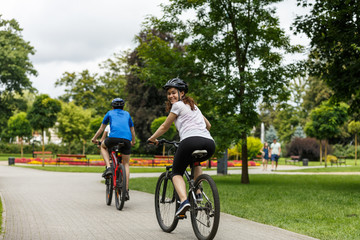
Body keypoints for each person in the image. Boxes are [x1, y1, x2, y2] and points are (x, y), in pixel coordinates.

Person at [148, 78, 215, 217]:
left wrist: (153, 138)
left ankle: (184, 201)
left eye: (174, 92)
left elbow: (164, 126)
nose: (170, 96)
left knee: (176, 172)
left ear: (182, 93)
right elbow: (208, 126)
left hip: (190, 141)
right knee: (195, 162)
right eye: (169, 93)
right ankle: (198, 193)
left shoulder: (177, 106)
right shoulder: (194, 107)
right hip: (209, 143)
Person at [91, 98, 136, 200]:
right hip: (126, 140)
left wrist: (94, 138)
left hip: (113, 138)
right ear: (123, 107)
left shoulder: (110, 113)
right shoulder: (127, 114)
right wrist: (133, 141)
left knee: (103, 146)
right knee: (126, 164)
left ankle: (108, 167)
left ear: (112, 107)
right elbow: (132, 130)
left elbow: (101, 128)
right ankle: (126, 191)